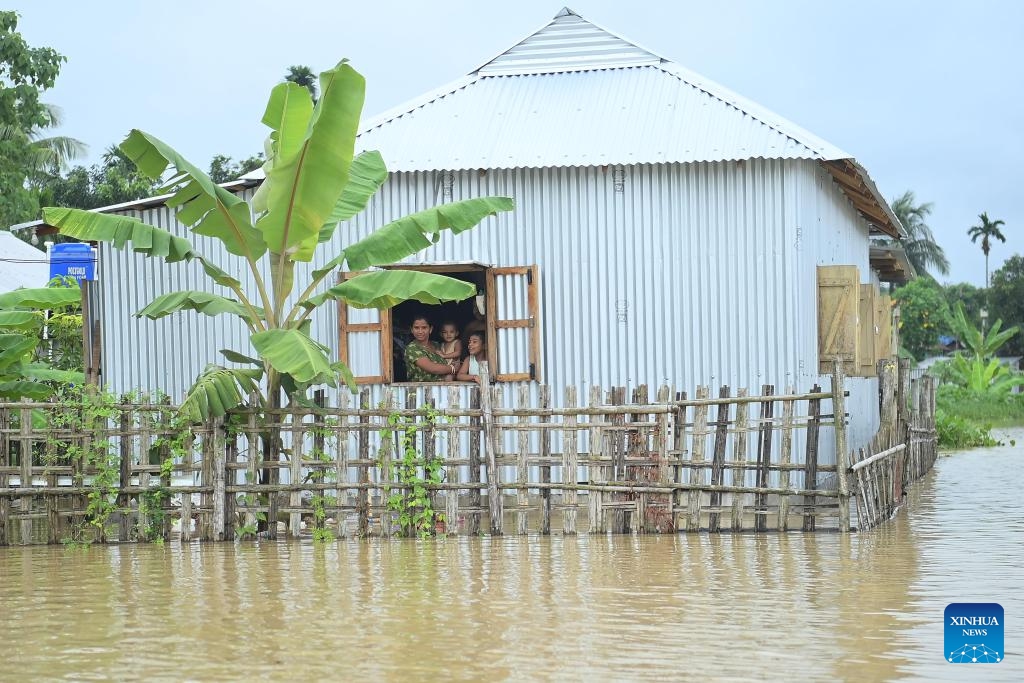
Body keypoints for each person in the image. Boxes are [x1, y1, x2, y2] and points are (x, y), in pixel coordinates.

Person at [404, 316, 458, 382]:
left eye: (424, 327)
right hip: (421, 390)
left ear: (430, 329)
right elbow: (433, 368)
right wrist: (453, 368)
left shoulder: (436, 345)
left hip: (443, 388)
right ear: (412, 330)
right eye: (416, 328)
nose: (420, 331)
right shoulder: (412, 348)